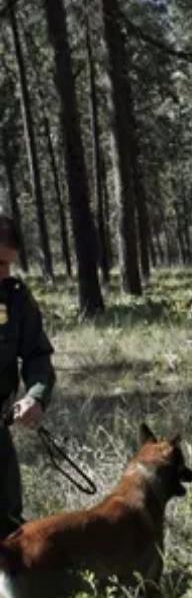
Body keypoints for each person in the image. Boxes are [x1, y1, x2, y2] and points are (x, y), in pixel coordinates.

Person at [0, 215, 56, 533]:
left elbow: (37, 355)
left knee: (8, 528)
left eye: (9, 265)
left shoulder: (15, 298)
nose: (5, 274)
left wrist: (35, 396)